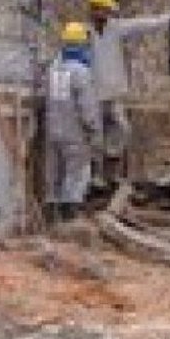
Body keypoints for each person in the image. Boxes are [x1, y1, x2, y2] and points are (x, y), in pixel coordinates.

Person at [85, 0, 170, 184]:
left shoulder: (116, 28)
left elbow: (142, 25)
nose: (105, 14)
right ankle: (95, 176)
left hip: (113, 92)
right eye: (102, 10)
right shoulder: (85, 33)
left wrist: (168, 19)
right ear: (94, 9)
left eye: (107, 10)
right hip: (93, 93)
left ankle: (111, 171)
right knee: (93, 134)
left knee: (122, 129)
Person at [44, 22, 102, 224]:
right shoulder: (81, 72)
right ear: (82, 44)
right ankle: (70, 221)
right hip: (75, 134)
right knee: (77, 175)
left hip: (53, 131)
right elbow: (88, 109)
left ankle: (51, 219)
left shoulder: (53, 70)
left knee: (54, 174)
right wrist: (94, 131)